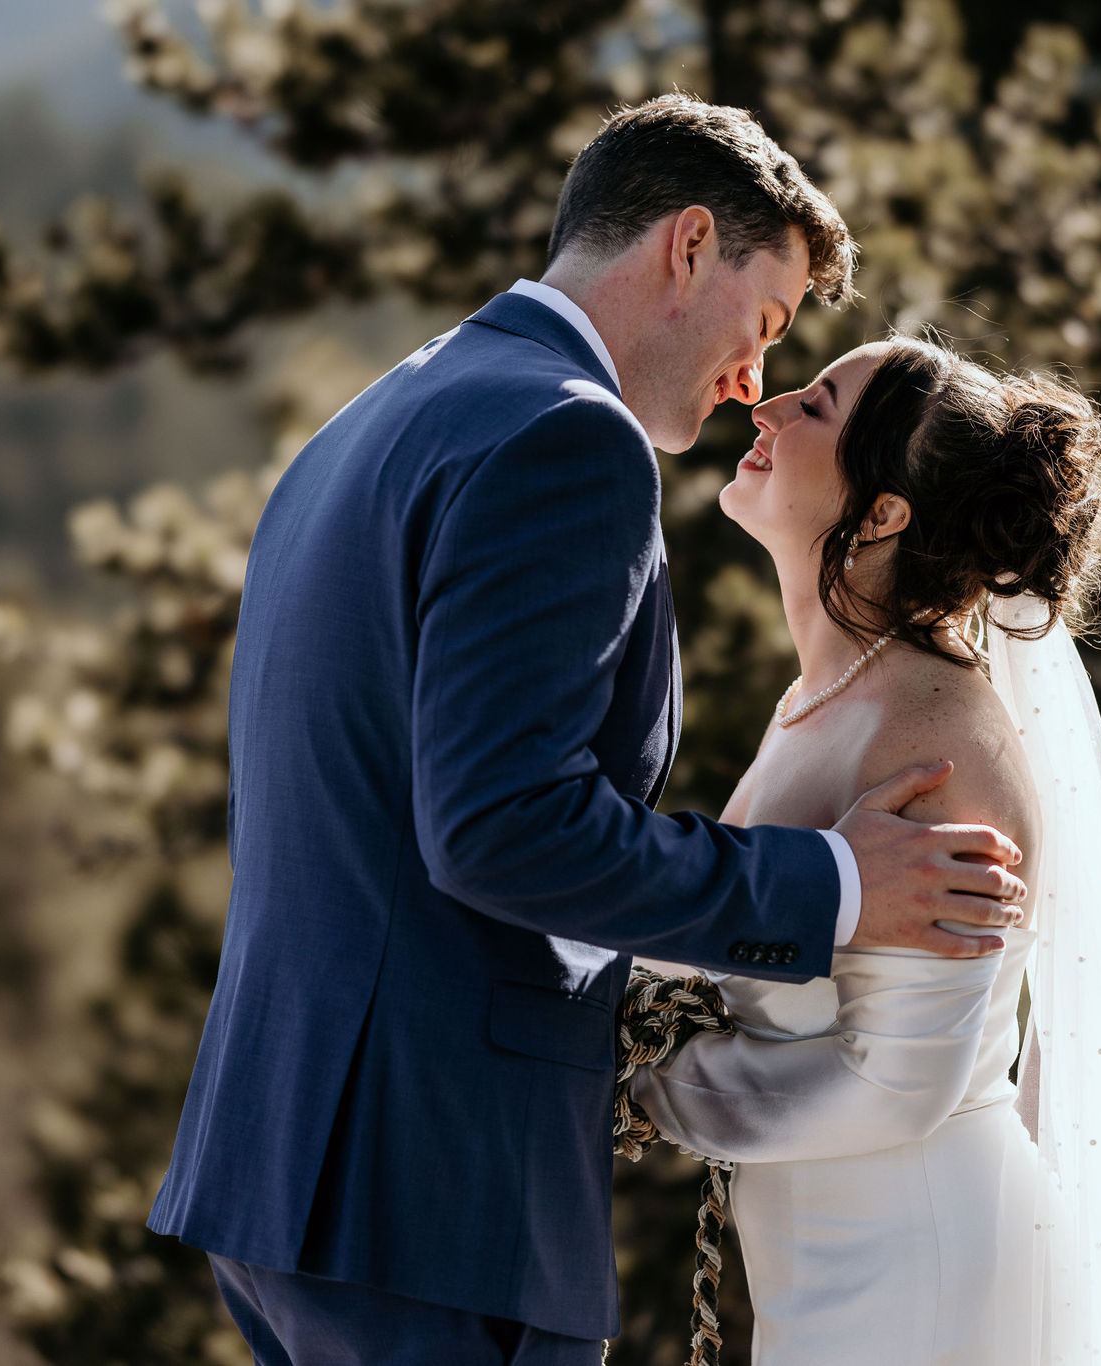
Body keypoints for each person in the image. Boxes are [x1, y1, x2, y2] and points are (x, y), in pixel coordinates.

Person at [144, 96, 1031, 1365]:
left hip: (288, 1165)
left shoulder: (379, 417)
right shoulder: (568, 436)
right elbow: (503, 827)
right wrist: (834, 884)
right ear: (686, 246)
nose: (752, 381)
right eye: (763, 323)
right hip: (434, 1193)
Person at [629, 335, 1101, 1364]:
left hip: (926, 1270)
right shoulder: (825, 696)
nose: (768, 406)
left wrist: (639, 1085)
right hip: (831, 1257)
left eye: (816, 405)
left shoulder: (939, 744)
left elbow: (898, 1083)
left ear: (882, 514)